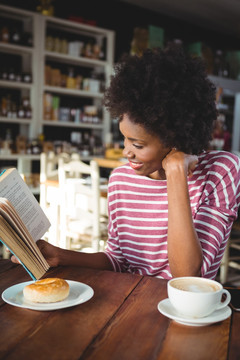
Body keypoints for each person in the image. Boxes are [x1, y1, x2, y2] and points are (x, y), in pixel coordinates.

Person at [12, 44, 240, 279]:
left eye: (138, 145)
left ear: (176, 139)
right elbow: (117, 260)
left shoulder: (221, 170)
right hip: (128, 303)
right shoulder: (121, 179)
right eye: (124, 139)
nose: (126, 152)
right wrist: (61, 255)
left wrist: (175, 174)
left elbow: (187, 277)